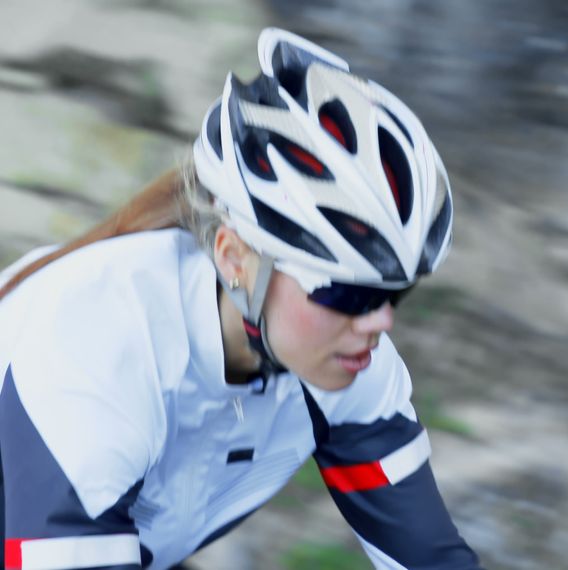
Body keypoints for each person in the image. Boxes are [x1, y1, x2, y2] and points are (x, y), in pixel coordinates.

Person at [0, 28, 480, 570]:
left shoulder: (342, 357)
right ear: (234, 258)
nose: (380, 321)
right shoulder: (99, 349)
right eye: (348, 293)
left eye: (397, 293)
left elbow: (433, 561)